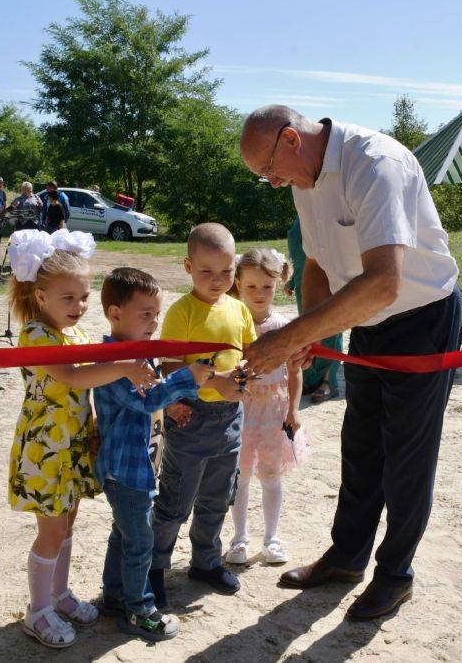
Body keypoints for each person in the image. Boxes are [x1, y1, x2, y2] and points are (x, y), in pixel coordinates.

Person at [240, 105, 462, 621]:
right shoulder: (304, 177)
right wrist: (311, 332)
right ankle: (346, 557)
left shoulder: (376, 162)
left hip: (421, 317)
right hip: (366, 319)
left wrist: (295, 335)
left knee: (407, 454)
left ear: (291, 139)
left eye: (270, 171)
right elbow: (317, 263)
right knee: (361, 443)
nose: (272, 184)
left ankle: (395, 575)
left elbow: (384, 281)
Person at [6, 228, 157, 649]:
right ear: (40, 297)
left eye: (84, 297)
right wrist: (125, 367)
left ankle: (59, 594)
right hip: (46, 447)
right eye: (68, 298)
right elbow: (72, 377)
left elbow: (101, 360)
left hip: (73, 443)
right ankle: (37, 612)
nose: (79, 306)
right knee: (51, 530)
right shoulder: (36, 334)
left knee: (67, 524)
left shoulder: (78, 335)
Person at [93, 267, 217, 642]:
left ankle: (115, 596)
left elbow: (155, 394)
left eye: (156, 313)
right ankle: (140, 610)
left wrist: (184, 392)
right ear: (116, 314)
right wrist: (187, 378)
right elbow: (145, 400)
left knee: (125, 535)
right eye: (145, 313)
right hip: (125, 472)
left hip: (140, 468)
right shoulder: (112, 363)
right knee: (141, 541)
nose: (154, 321)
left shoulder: (137, 355)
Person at [149, 222, 253, 609]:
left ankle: (205, 562)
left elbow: (248, 354)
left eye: (226, 272)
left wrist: (245, 376)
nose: (218, 280)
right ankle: (154, 567)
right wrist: (214, 383)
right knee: (175, 500)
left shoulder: (239, 308)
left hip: (230, 420)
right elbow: (172, 367)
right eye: (207, 272)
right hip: (191, 419)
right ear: (188, 267)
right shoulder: (181, 312)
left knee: (217, 497)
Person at [225, 247, 309, 567]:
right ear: (237, 284)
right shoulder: (231, 323)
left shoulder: (284, 326)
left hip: (274, 410)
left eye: (267, 287)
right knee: (241, 475)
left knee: (271, 474)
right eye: (251, 287)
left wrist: (294, 411)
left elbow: (295, 370)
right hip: (241, 409)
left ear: (278, 284)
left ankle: (271, 538)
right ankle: (239, 538)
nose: (259, 294)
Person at [287, 217, 343, 402]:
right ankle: (312, 379)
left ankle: (328, 382)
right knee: (308, 332)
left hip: (328, 282)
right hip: (305, 283)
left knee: (331, 332)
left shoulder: (329, 207)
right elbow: (303, 252)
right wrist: (294, 279)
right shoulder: (302, 210)